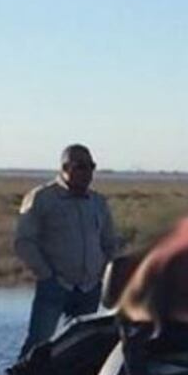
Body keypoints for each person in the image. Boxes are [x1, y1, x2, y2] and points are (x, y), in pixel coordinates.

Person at [15, 144, 118, 357]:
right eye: (81, 166)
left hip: (89, 288)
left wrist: (103, 272)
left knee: (79, 349)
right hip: (54, 286)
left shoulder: (98, 202)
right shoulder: (42, 198)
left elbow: (109, 242)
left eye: (91, 166)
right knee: (38, 346)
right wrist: (46, 274)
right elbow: (24, 241)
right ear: (65, 167)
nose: (87, 172)